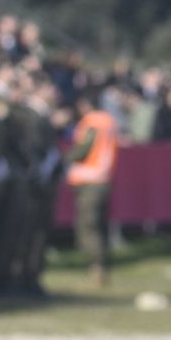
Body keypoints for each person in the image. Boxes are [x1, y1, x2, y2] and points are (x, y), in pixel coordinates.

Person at [66, 89, 119, 287]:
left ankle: (97, 267)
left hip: (89, 180)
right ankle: (103, 265)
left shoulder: (92, 123)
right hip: (104, 178)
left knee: (88, 226)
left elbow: (84, 149)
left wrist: (65, 158)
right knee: (100, 226)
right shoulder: (109, 121)